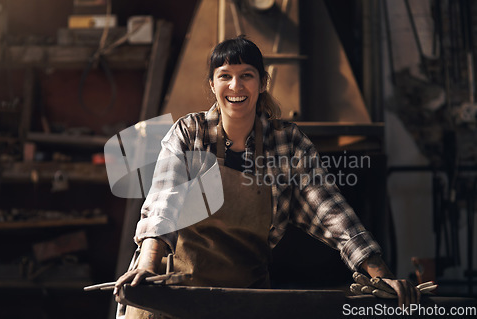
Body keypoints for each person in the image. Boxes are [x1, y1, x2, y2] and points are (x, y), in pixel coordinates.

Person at [113, 35, 420, 317]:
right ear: (212, 85)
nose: (236, 86)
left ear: (262, 83)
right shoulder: (189, 133)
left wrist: (382, 276)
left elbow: (331, 211)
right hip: (170, 297)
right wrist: (148, 266)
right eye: (225, 76)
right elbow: (164, 199)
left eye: (246, 75)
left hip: (245, 301)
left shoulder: (287, 143)